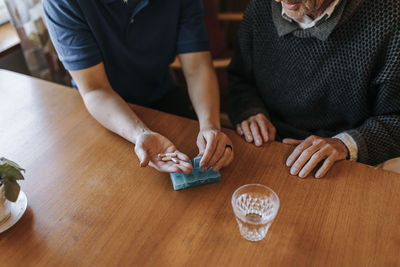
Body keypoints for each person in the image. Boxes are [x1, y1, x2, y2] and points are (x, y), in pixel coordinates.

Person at [42, 0, 234, 174]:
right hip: (100, 113)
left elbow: (197, 66)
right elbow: (95, 88)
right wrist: (140, 133)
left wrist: (210, 125)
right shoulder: (61, 3)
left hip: (160, 93)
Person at [228, 0, 400, 178]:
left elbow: (396, 120)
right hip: (268, 145)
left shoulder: (390, 17)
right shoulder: (261, 6)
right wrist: (248, 109)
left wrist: (345, 144)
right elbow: (240, 78)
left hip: (342, 161)